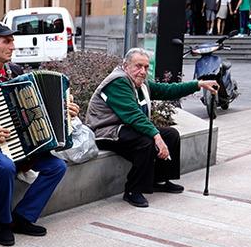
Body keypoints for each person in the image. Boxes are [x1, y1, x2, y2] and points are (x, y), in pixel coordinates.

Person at [0, 22, 78, 246]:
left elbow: (36, 108)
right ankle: (3, 223)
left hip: (22, 140)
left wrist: (64, 110)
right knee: (5, 166)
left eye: (12, 41)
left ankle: (23, 217)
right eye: (7, 41)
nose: (13, 46)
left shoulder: (17, 72)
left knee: (56, 167)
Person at [85, 48, 218, 208]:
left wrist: (198, 84)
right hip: (106, 132)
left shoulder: (140, 82)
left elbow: (167, 90)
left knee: (171, 134)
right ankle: (133, 191)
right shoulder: (118, 82)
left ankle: (159, 180)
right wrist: (156, 136)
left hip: (126, 128)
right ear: (126, 65)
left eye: (146, 67)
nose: (143, 71)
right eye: (138, 66)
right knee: (145, 142)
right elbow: (133, 115)